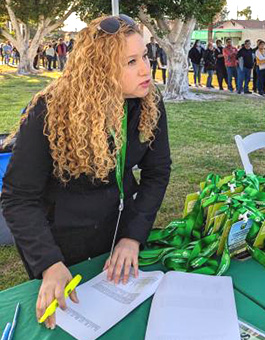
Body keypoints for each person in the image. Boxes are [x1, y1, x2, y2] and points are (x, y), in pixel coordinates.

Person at [1, 15, 171, 330]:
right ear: (99, 70)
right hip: (62, 244)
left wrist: (133, 236)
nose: (146, 69)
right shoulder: (47, 112)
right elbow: (18, 198)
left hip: (121, 233)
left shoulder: (150, 103)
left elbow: (157, 173)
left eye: (144, 56)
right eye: (130, 62)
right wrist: (49, 264)